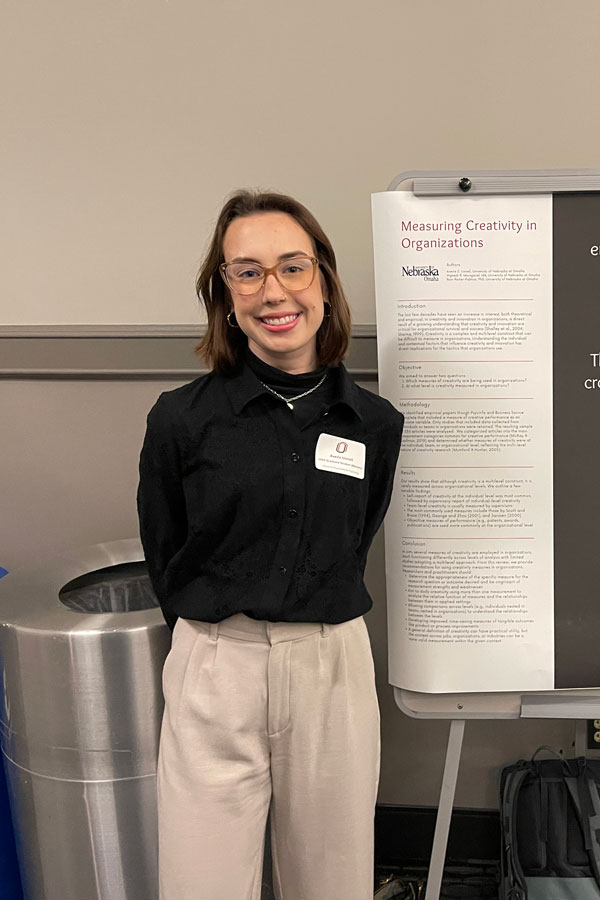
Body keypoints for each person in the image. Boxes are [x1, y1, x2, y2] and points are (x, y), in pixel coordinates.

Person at [137, 190, 403, 900]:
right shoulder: (181, 421)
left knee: (333, 882)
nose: (273, 291)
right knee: (201, 883)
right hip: (216, 665)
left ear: (324, 281)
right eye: (246, 272)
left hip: (331, 669)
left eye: (293, 267)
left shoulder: (373, 423)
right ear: (224, 293)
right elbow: (166, 550)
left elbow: (357, 534)